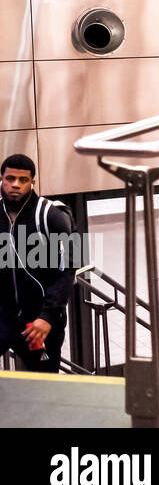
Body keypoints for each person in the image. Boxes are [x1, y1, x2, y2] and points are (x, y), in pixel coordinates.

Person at [1, 154, 76, 373]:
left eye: (23, 180)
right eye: (10, 178)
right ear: (2, 179)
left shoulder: (52, 215)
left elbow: (69, 268)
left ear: (32, 182)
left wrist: (48, 316)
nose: (15, 184)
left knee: (45, 382)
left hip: (39, 322)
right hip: (4, 316)